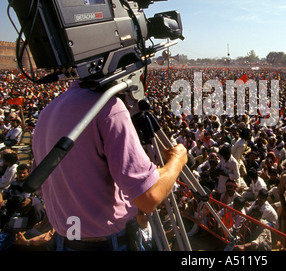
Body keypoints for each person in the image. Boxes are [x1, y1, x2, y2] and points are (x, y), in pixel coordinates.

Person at [32, 79, 187, 251]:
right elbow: (148, 198)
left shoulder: (47, 111)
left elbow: (40, 186)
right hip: (107, 243)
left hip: (66, 239)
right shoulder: (109, 107)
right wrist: (177, 161)